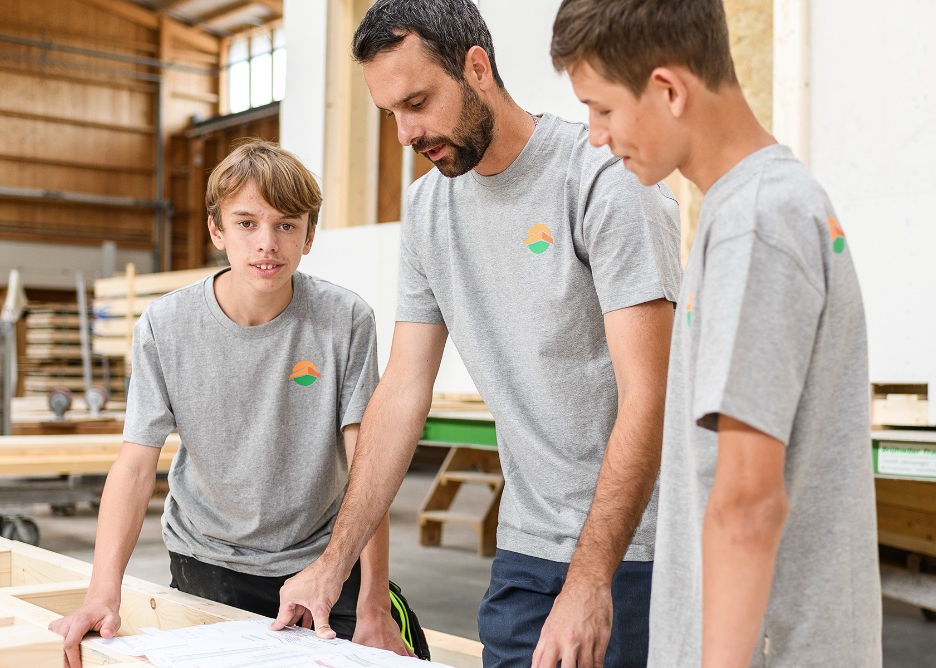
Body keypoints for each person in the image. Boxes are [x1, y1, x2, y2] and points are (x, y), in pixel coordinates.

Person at [276, 1, 682, 666]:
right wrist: (333, 564)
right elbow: (403, 391)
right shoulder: (428, 207)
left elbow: (650, 394)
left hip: (640, 551)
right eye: (390, 115)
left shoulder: (603, 178)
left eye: (418, 102)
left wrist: (589, 583)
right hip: (526, 547)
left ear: (476, 68)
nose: (406, 133)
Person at [550, 0, 883, 665]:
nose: (593, 134)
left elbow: (746, 502)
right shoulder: (754, 208)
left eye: (603, 109)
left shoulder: (754, 224)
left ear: (668, 89)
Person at [48, 140, 411, 668]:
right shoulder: (165, 325)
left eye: (287, 225)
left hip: (323, 564)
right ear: (217, 230)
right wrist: (103, 591)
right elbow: (134, 463)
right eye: (247, 223)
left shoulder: (345, 320)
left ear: (310, 235)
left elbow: (368, 464)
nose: (267, 243)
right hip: (207, 560)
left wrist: (375, 600)